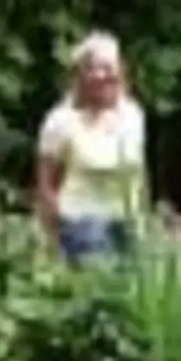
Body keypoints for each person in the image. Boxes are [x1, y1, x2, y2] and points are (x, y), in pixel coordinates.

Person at [33, 31, 149, 266]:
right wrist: (50, 239)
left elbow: (140, 173)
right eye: (96, 68)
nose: (103, 75)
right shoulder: (61, 121)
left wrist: (142, 220)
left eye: (110, 67)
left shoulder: (133, 115)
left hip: (127, 225)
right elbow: (46, 185)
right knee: (98, 293)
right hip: (81, 224)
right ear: (80, 74)